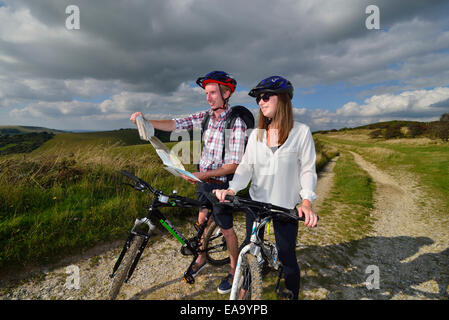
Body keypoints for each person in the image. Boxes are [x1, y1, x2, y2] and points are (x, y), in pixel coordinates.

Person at [130, 71, 248, 294]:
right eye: (206, 93)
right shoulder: (205, 117)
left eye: (213, 92)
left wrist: (202, 175)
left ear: (227, 93)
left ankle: (234, 270)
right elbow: (177, 124)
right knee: (202, 218)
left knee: (226, 230)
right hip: (203, 182)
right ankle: (202, 257)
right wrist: (145, 121)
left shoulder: (236, 123)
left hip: (222, 185)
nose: (208, 97)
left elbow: (234, 165)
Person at [213, 76, 318, 300]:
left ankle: (291, 293)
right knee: (249, 248)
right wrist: (232, 190)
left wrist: (306, 202)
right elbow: (245, 167)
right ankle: (243, 292)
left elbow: (308, 169)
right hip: (256, 204)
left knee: (288, 256)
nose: (261, 102)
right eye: (259, 98)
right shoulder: (257, 136)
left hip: (285, 206)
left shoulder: (301, 132)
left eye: (266, 96)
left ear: (283, 99)